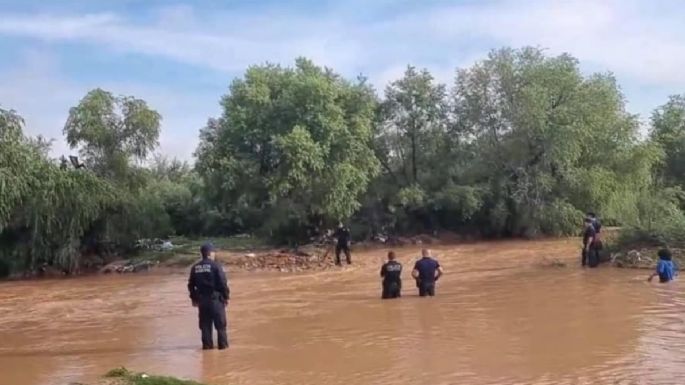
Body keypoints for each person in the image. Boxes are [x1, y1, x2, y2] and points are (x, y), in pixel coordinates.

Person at [187, 242, 230, 350]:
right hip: (216, 300)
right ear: (210, 253)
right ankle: (223, 351)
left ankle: (207, 350)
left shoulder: (195, 267)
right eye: (214, 252)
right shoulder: (216, 266)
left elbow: (190, 285)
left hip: (202, 301)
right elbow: (222, 283)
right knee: (220, 327)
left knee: (205, 328)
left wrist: (194, 299)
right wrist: (226, 297)